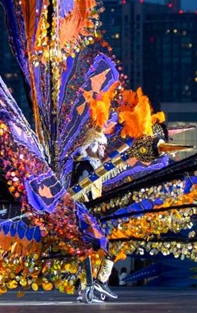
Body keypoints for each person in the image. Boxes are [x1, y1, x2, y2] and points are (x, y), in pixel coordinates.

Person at [71, 128, 118, 301]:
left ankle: (86, 290)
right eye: (102, 146)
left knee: (95, 251)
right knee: (105, 245)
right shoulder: (86, 166)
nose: (104, 149)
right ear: (92, 146)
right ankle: (97, 283)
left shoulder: (91, 165)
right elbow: (83, 194)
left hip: (91, 215)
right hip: (85, 217)